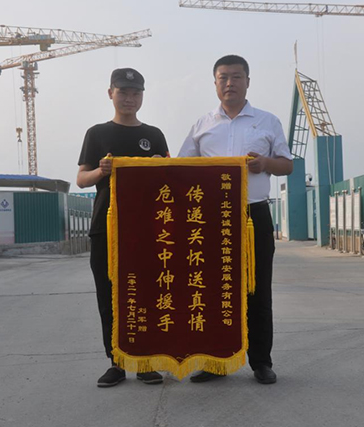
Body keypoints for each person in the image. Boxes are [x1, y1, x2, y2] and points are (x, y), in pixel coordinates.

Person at [178, 55, 293, 384]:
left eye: (237, 77)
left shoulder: (267, 121)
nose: (230, 83)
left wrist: (265, 163)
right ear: (215, 83)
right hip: (212, 219)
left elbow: (287, 165)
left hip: (254, 215)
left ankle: (261, 362)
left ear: (248, 82)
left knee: (258, 290)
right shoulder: (202, 125)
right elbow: (181, 168)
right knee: (213, 289)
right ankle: (216, 362)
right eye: (223, 77)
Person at [77, 68, 169, 388]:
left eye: (135, 93)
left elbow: (172, 177)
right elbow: (81, 179)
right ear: (110, 94)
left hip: (147, 228)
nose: (129, 98)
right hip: (106, 227)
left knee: (147, 292)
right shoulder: (97, 134)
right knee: (109, 294)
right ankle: (116, 362)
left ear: (142, 96)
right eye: (123, 92)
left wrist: (161, 166)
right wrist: (101, 171)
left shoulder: (154, 135)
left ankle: (144, 361)